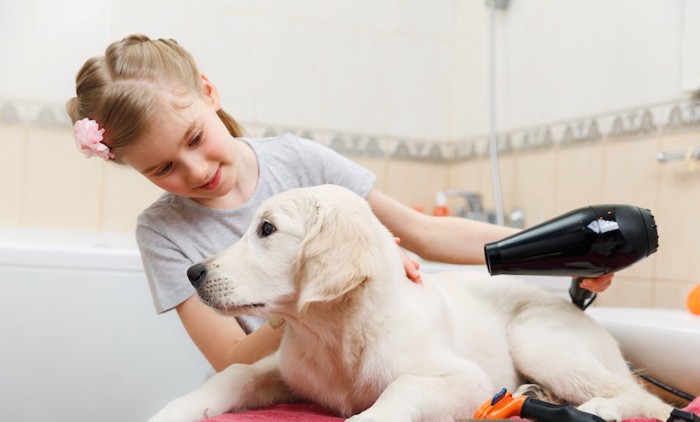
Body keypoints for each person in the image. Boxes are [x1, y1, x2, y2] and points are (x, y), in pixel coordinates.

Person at [66, 34, 613, 372]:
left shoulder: (300, 163)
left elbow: (426, 232)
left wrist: (556, 251)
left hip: (370, 371)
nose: (197, 171)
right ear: (134, 169)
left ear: (209, 92)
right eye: (162, 169)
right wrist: (337, 282)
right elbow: (231, 359)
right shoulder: (163, 231)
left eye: (193, 139)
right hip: (280, 381)